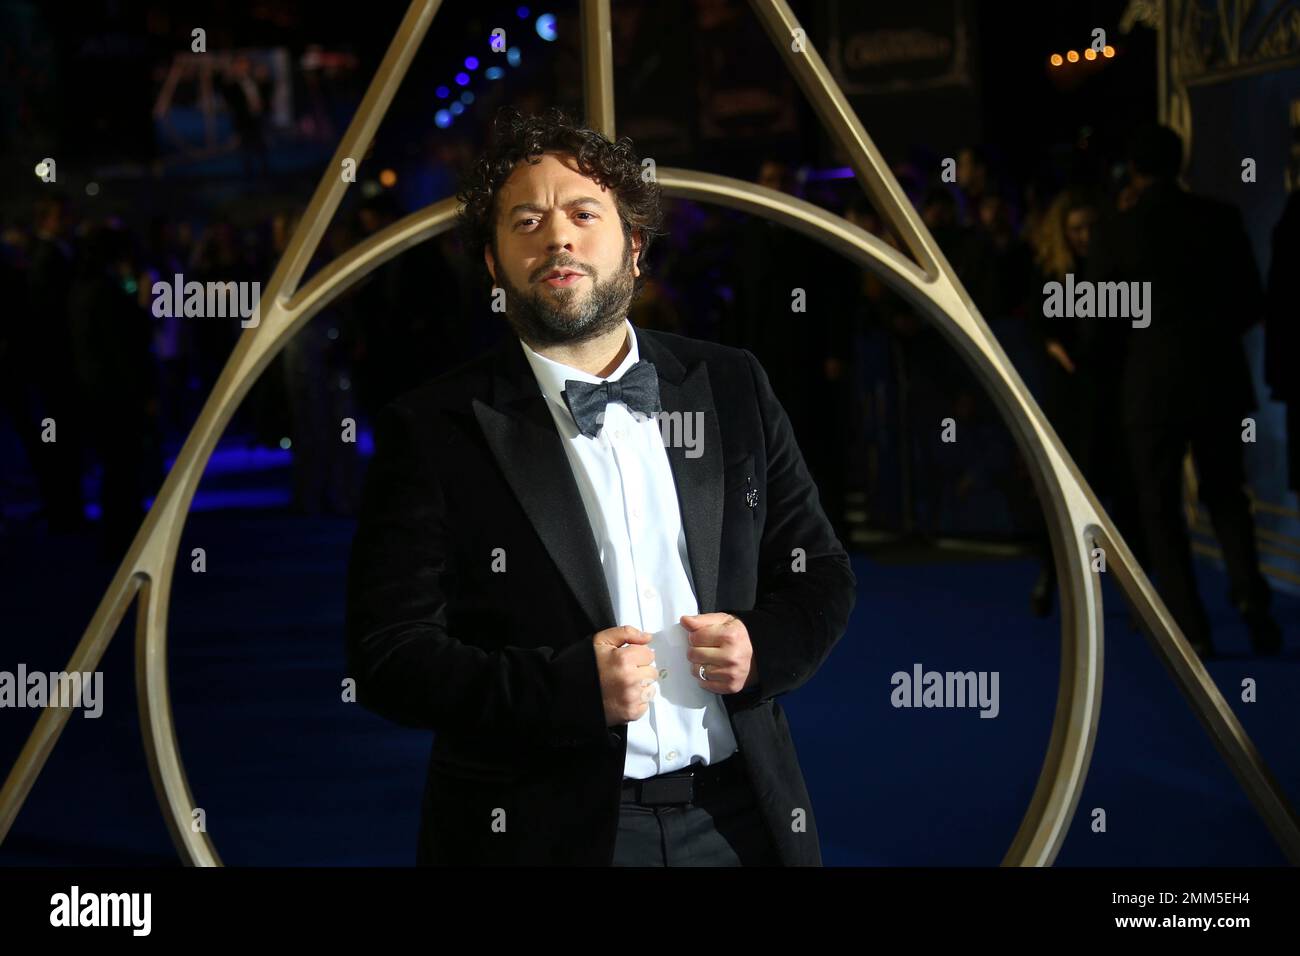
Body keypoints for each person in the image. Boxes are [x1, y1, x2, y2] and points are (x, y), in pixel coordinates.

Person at [345, 107, 856, 866]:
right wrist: (567, 689)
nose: (558, 236)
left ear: (635, 246)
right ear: (493, 262)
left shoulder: (731, 382)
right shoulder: (433, 428)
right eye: (526, 220)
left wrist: (761, 646)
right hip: (541, 834)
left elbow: (821, 576)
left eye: (585, 213)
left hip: (741, 819)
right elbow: (389, 657)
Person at [1087, 124, 1281, 657]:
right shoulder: (1220, 220)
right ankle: (1252, 602)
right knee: (1227, 497)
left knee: (1160, 508)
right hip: (1217, 381)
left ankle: (1190, 627)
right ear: (1181, 162)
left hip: (1149, 390)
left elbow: (1100, 324)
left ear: (1135, 169)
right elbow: (1250, 302)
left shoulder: (1116, 231)